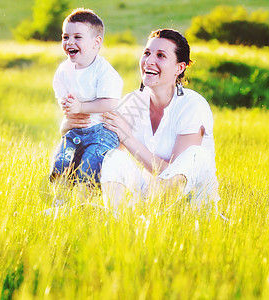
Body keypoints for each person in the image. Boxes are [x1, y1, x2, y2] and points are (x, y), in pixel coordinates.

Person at [62, 28, 220, 210]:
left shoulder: (192, 105)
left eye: (161, 55)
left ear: (179, 68)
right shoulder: (133, 102)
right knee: (114, 157)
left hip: (190, 204)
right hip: (150, 194)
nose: (149, 61)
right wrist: (68, 127)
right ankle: (115, 218)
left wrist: (128, 138)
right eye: (147, 53)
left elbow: (173, 175)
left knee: (196, 155)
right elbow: (103, 152)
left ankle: (147, 213)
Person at [50, 8, 123, 185]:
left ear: (96, 42)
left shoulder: (103, 70)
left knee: (89, 169)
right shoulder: (64, 70)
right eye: (65, 37)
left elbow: (110, 102)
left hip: (101, 132)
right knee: (61, 164)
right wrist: (66, 104)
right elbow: (61, 95)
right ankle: (60, 202)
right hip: (75, 131)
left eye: (77, 37)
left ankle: (86, 204)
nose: (69, 42)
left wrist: (81, 108)